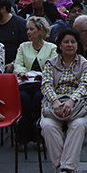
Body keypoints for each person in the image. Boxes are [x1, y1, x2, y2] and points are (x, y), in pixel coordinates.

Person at [41, 27, 87, 173]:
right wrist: (56, 102)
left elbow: (85, 85)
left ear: (77, 45)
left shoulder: (84, 64)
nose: (70, 45)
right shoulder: (51, 64)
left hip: (78, 105)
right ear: (59, 45)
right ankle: (61, 167)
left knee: (78, 126)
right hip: (55, 105)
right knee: (48, 126)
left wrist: (71, 101)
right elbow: (46, 85)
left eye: (73, 42)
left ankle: (67, 168)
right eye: (66, 42)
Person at [14, 15, 56, 150]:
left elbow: (53, 67)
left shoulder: (51, 48)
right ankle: (23, 136)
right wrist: (21, 72)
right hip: (26, 83)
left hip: (42, 84)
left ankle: (40, 137)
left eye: (32, 29)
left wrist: (43, 75)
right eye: (28, 29)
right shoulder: (23, 46)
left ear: (41, 31)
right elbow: (18, 64)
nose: (28, 32)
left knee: (39, 99)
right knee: (23, 99)